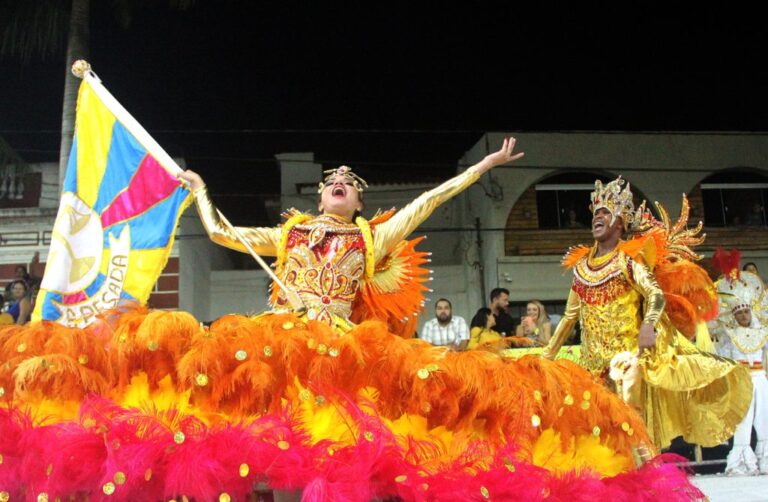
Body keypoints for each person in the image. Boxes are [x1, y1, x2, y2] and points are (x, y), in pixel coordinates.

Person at [0, 143, 706, 500]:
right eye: (331, 180)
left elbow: (430, 201)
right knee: (254, 418)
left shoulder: (371, 238)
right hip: (279, 340)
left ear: (359, 199)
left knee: (343, 438)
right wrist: (200, 192)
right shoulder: (295, 231)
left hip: (344, 346)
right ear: (319, 193)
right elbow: (222, 236)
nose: (339, 183)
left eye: (350, 182)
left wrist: (484, 166)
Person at [544, 177, 752, 449]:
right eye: (595, 213)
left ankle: (650, 487)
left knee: (630, 427)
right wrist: (546, 355)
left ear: (619, 223)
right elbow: (570, 316)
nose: (598, 217)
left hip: (627, 361)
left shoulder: (628, 261)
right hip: (591, 368)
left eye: (605, 212)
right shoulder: (582, 269)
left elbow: (654, 294)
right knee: (596, 435)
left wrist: (648, 326)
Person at [709, 264, 768, 475]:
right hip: (741, 380)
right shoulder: (728, 334)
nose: (743, 316)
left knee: (765, 419)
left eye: (745, 312)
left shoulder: (763, 331)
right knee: (742, 421)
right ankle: (741, 463)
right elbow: (719, 355)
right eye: (739, 313)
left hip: (761, 379)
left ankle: (765, 461)